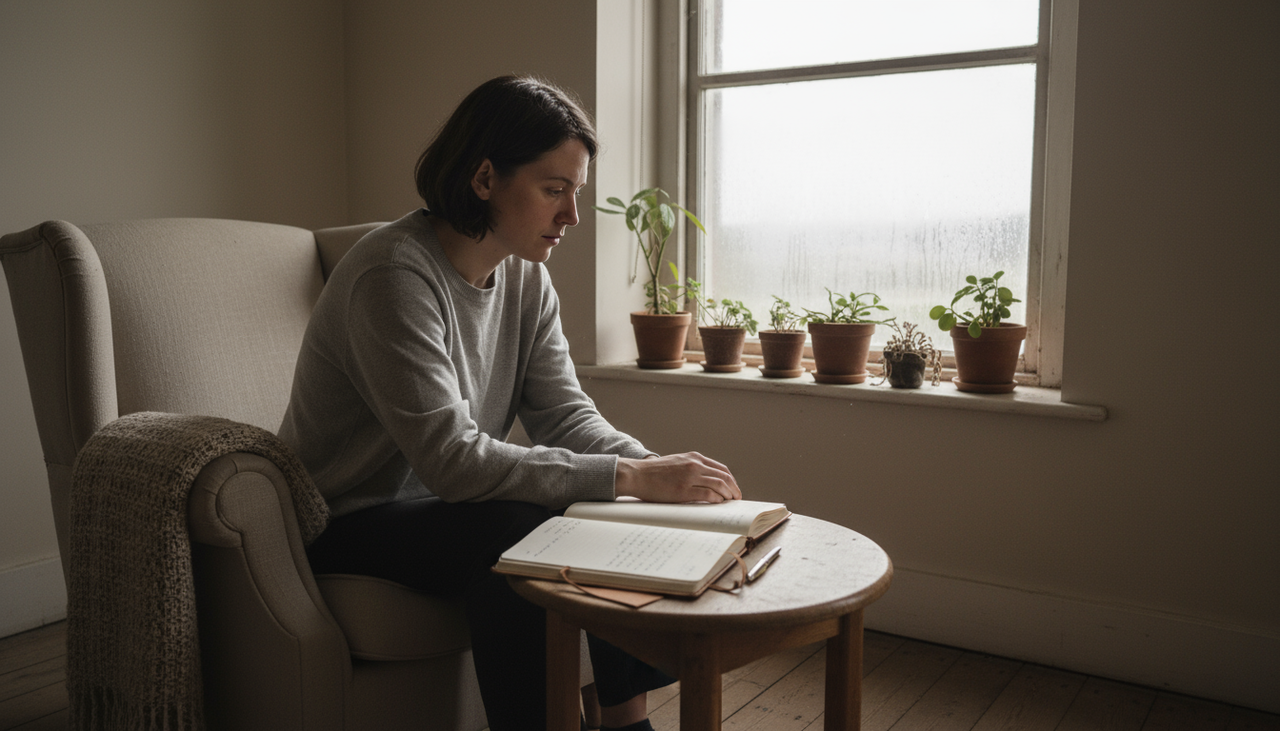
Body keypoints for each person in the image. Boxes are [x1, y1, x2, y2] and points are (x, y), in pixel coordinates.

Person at [278, 75, 741, 731]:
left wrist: (651, 473)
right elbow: (454, 462)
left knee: (605, 497)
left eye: (575, 192)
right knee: (519, 526)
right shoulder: (393, 274)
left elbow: (566, 416)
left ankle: (625, 723)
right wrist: (632, 474)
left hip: (442, 510)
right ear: (485, 178)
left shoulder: (528, 280)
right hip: (349, 519)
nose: (572, 215)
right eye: (554, 190)